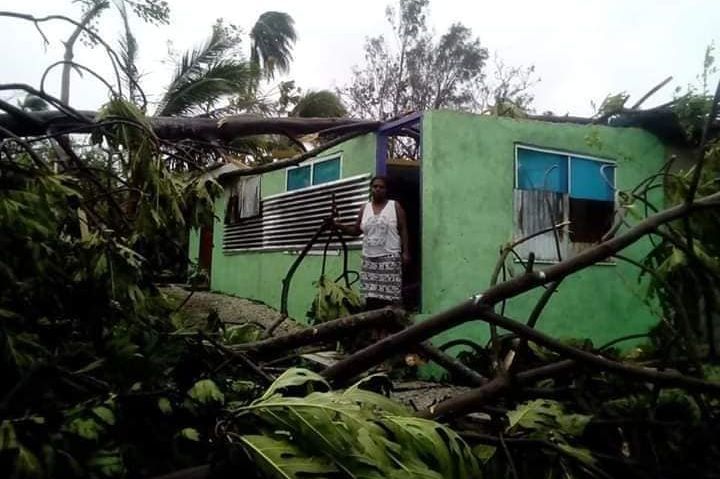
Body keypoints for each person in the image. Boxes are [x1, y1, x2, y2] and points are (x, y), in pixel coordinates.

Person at [334, 175, 410, 309]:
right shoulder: (364, 208)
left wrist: (406, 253)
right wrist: (339, 226)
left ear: (386, 190)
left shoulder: (394, 206)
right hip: (369, 260)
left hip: (389, 258)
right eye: (375, 186)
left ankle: (395, 328)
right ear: (371, 189)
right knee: (371, 298)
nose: (378, 189)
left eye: (382, 187)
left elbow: (403, 229)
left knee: (391, 297)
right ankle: (374, 328)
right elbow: (356, 231)